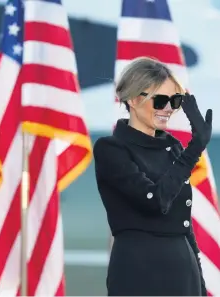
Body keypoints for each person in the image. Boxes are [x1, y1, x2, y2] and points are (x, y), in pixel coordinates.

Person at [93, 57, 212, 296]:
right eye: (160, 100)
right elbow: (155, 201)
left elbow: (183, 226)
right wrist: (194, 150)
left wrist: (199, 284)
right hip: (139, 272)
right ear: (134, 100)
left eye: (174, 100)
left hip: (182, 273)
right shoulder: (112, 149)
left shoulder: (173, 148)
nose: (168, 108)